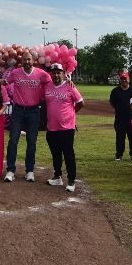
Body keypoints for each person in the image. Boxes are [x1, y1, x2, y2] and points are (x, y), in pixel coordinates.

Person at [2, 50, 51, 183]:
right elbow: (4, 82)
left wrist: (68, 81)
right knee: (13, 140)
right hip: (18, 111)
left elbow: (53, 82)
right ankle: (10, 170)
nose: (27, 62)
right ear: (21, 61)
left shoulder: (41, 73)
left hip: (33, 111)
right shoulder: (15, 73)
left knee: (31, 141)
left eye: (29, 59)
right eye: (25, 59)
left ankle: (29, 171)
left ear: (33, 60)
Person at [42, 63, 84, 193]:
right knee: (55, 154)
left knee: (68, 154)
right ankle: (57, 176)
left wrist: (71, 114)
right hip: (51, 127)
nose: (56, 75)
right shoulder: (47, 86)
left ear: (63, 74)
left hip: (67, 128)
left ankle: (71, 180)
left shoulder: (70, 86)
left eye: (58, 72)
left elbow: (80, 103)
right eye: (53, 72)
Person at [109, 71, 132, 162]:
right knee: (120, 138)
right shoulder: (115, 91)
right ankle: (119, 155)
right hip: (120, 119)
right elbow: (112, 103)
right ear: (120, 80)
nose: (124, 80)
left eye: (125, 78)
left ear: (129, 79)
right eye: (122, 79)